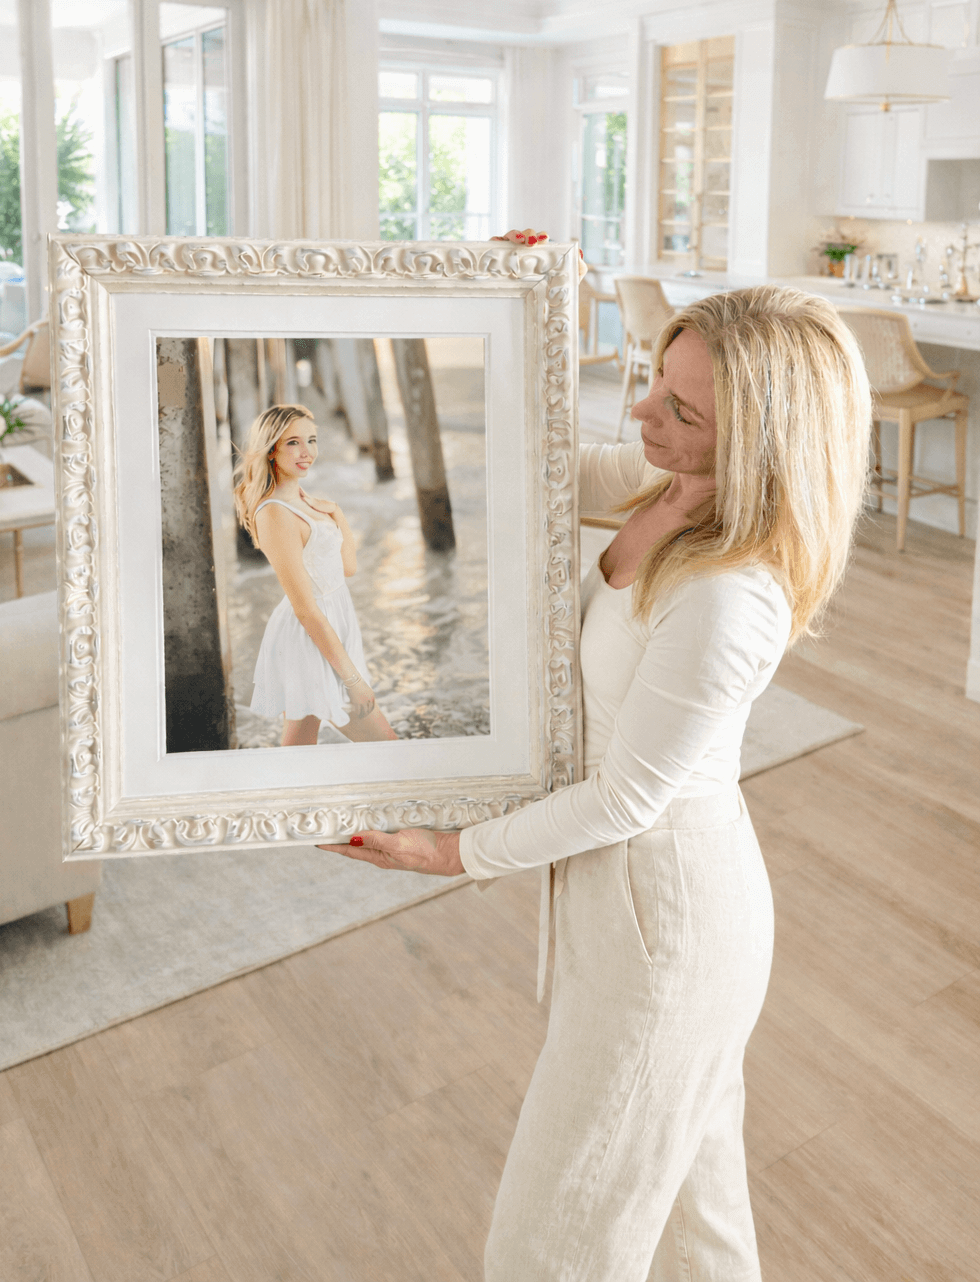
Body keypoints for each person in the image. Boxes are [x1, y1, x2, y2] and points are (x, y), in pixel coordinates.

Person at [320, 265, 872, 1280]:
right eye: (654, 382)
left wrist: (451, 852)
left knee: (550, 1243)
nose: (642, 411)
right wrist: (483, 305)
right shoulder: (675, 485)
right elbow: (532, 465)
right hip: (632, 908)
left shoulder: (727, 595)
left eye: (679, 408)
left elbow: (626, 797)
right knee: (701, 1224)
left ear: (757, 439)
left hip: (666, 928)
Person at [234, 403, 397, 746]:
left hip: (332, 627)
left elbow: (347, 568)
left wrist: (337, 513)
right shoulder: (275, 514)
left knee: (297, 754)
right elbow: (306, 610)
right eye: (293, 442)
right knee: (389, 749)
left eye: (312, 440)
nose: (306, 452)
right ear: (272, 449)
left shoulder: (308, 502)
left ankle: (278, 799)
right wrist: (353, 681)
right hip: (310, 639)